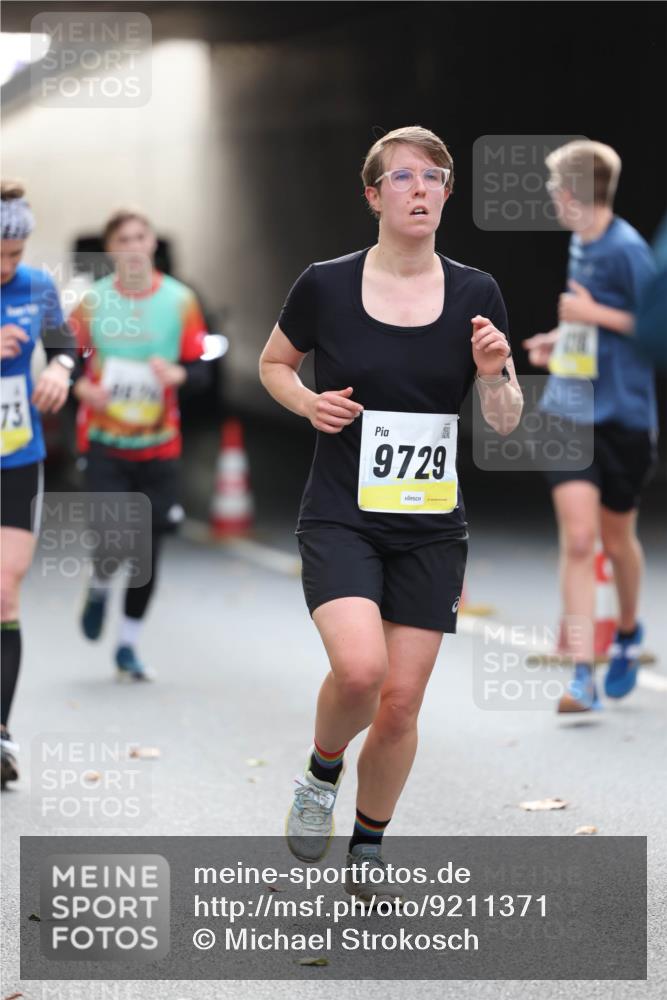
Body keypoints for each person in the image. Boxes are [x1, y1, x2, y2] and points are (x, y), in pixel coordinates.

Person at [259, 126, 523, 899]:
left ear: (446, 194)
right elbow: (273, 363)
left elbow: (504, 419)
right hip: (342, 510)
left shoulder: (476, 293)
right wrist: (309, 403)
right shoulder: (326, 284)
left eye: (433, 176)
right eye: (401, 177)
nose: (419, 188)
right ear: (372, 195)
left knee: (401, 704)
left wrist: (493, 374)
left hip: (431, 527)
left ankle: (368, 843)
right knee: (362, 672)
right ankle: (321, 769)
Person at [523, 141, 658, 713]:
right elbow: (588, 329)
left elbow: (656, 327)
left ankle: (626, 630)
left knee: (616, 540)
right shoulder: (579, 241)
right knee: (579, 540)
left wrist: (590, 316)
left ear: (574, 191)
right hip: (570, 409)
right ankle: (582, 673)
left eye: (555, 187)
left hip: (624, 415)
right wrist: (558, 342)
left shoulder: (628, 250)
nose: (551, 197)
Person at [68, 210, 208, 681]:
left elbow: (202, 368)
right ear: (111, 250)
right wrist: (80, 389)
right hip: (105, 442)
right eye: (122, 239)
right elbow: (63, 359)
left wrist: (180, 375)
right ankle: (101, 585)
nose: (132, 246)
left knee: (148, 552)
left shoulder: (180, 300)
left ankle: (126, 646)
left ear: (152, 244)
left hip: (160, 446)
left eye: (140, 237)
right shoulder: (91, 302)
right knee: (114, 537)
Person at [1, 181, 77, 787]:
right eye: (0, 253)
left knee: (4, 591)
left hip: (14, 454)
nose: (9, 265)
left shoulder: (37, 287)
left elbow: (65, 343)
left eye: (17, 253)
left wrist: (59, 366)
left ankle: (0, 733)